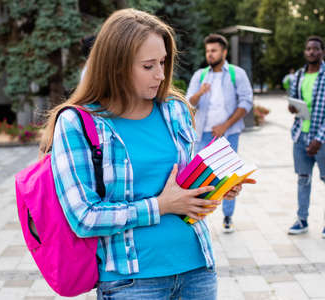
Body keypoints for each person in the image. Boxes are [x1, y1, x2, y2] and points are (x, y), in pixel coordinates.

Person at [40, 9, 253, 300]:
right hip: (133, 283)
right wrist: (161, 205)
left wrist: (216, 187)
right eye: (148, 66)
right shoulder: (77, 123)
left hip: (197, 272)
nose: (161, 74)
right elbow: (84, 217)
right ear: (115, 66)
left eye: (163, 62)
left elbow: (185, 185)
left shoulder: (174, 110)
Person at [185, 33, 253, 233]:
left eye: (214, 51)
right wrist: (199, 93)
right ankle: (198, 217)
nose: (210, 54)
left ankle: (228, 216)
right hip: (203, 135)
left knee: (229, 177)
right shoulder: (200, 75)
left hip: (229, 134)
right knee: (200, 177)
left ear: (224, 52)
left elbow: (246, 102)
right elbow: (188, 102)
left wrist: (226, 125)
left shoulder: (236, 74)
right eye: (207, 51)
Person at [287, 36, 325, 239]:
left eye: (316, 49)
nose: (311, 52)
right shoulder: (299, 75)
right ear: (305, 51)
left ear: (322, 52)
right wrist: (292, 107)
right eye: (308, 48)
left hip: (324, 138)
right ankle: (302, 219)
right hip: (300, 135)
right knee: (303, 179)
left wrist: (319, 140)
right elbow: (294, 103)